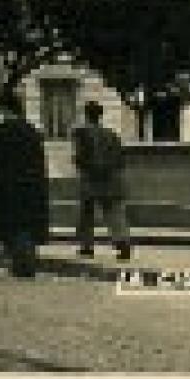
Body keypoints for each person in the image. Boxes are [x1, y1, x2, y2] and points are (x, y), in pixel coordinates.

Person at [0, 92, 49, 278]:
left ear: (4, 109)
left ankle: (19, 263)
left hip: (6, 187)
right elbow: (40, 162)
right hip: (31, 186)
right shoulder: (32, 131)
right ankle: (26, 262)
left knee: (11, 226)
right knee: (26, 226)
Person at [70, 101, 133, 262]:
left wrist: (81, 165)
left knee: (86, 214)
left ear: (86, 114)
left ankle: (87, 246)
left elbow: (79, 157)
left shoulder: (80, 133)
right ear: (100, 115)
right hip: (111, 179)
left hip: (91, 179)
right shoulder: (112, 134)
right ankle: (123, 244)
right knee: (114, 213)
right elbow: (121, 159)